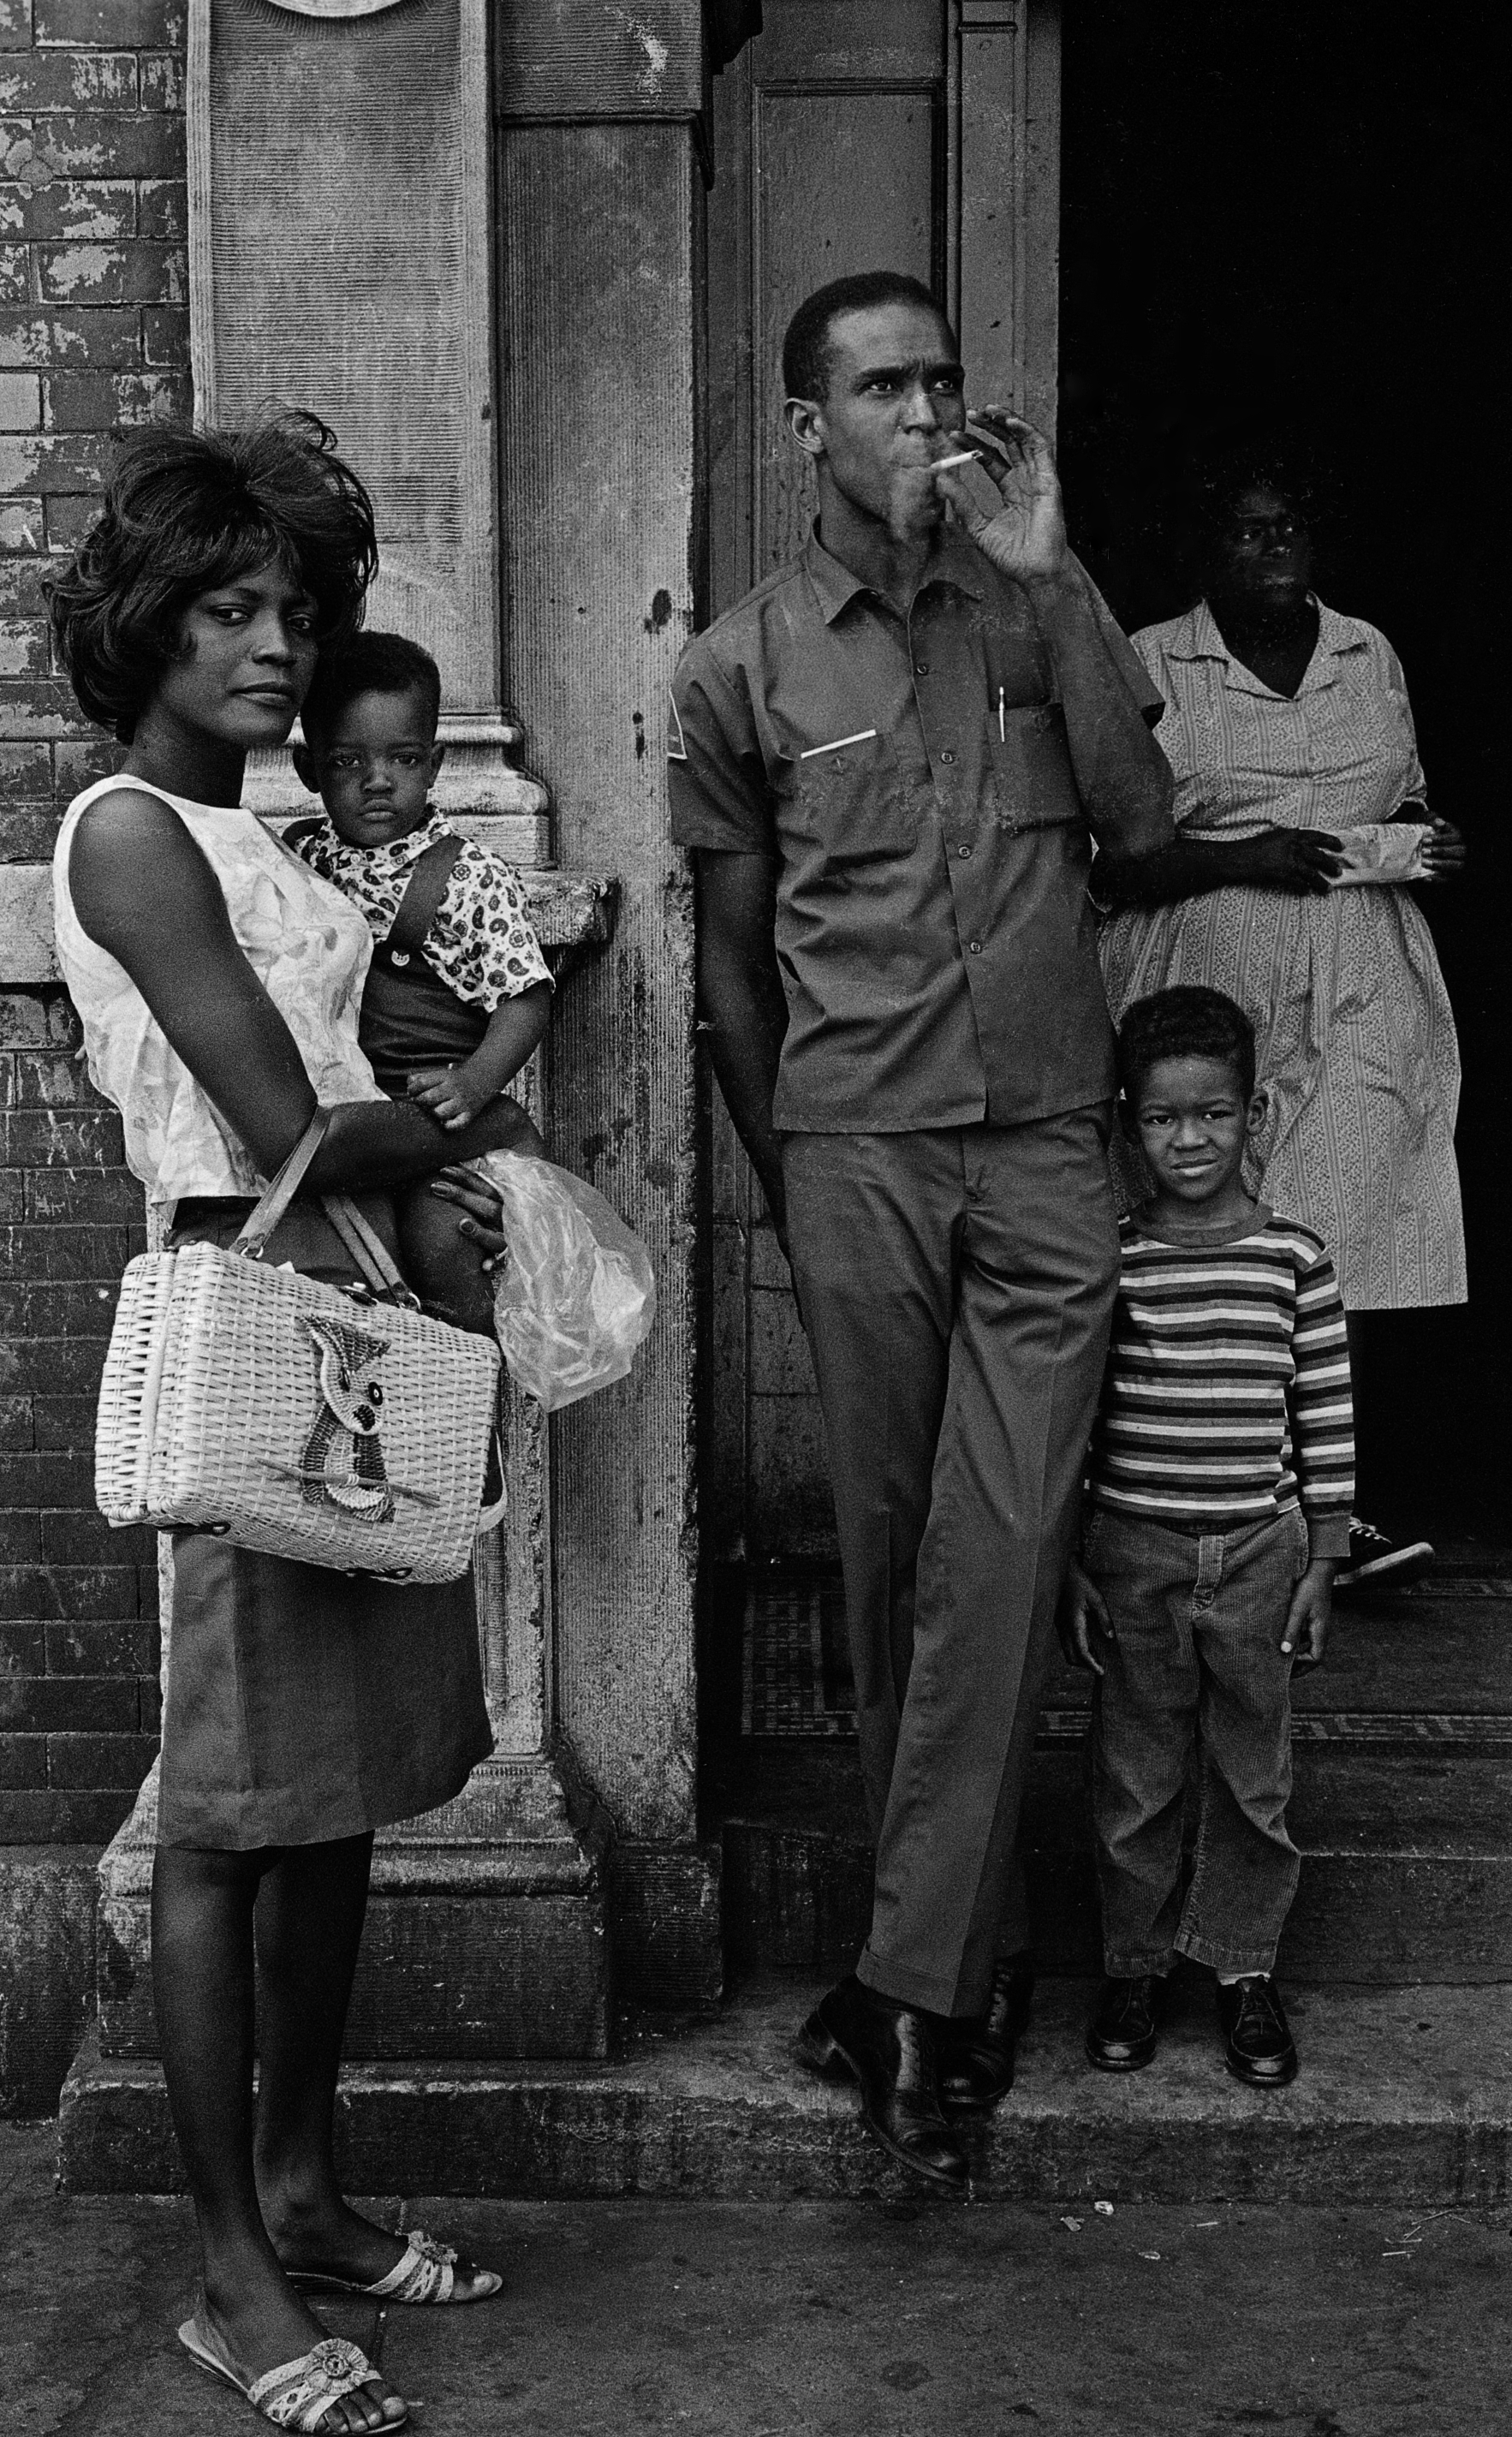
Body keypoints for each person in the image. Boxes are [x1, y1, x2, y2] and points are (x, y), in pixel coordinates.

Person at [670, 269, 1174, 2191]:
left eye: (941, 381)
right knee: (890, 1570)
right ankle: (961, 1970)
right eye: (886, 387)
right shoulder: (740, 666)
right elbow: (731, 972)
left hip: (1044, 1145)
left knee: (1003, 1548)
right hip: (855, 1152)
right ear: (810, 426)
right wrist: (791, 1168)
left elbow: (1140, 827)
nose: (926, 414)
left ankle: (902, 1991)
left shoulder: (1037, 607)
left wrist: (1058, 573)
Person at [49, 415, 510, 2436]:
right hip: (252, 1315)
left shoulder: (270, 834)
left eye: (297, 615)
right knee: (229, 1816)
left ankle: (307, 2191)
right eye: (230, 609)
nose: (274, 647)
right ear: (149, 621)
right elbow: (289, 1125)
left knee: (336, 1795)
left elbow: (350, 1100)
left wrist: (422, 1191)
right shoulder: (130, 832)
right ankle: (232, 2278)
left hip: (357, 1315)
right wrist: (467, 1121)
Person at [1093, 460, 1466, 1594]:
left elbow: (1396, 794)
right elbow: (1105, 861)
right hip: (1203, 969)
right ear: (1202, 550)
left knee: (1331, 1237)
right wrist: (1241, 855)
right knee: (1207, 1229)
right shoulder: (1152, 659)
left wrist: (1421, 836)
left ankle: (1323, 1514)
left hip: (1362, 971)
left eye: (1290, 525)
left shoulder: (1367, 651)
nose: (1273, 545)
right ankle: (1202, 1507)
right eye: (1246, 530)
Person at [1059, 986, 1354, 2089]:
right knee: (1134, 1774)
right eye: (1161, 1118)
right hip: (1132, 1549)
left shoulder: (1294, 1259)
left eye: (1214, 1114)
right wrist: (1069, 1560)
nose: (1188, 1140)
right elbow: (1077, 1422)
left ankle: (1241, 1965)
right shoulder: (1113, 1261)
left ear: (1254, 1113)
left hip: (1260, 1553)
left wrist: (1324, 1557)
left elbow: (1322, 1413)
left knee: (1251, 1772)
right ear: (1126, 1126)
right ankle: (1132, 1965)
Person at [286, 629, 553, 1330]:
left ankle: (474, 1389)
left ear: (434, 765)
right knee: (355, 1295)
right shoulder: (299, 860)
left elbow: (525, 997)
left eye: (403, 759)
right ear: (309, 768)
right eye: (347, 761)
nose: (377, 780)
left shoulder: (469, 877)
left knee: (447, 1250)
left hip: (435, 1123)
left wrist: (476, 1082)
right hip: (350, 1128)